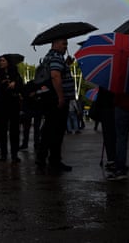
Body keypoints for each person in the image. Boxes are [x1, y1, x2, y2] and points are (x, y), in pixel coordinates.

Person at [36, 38, 75, 172]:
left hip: (48, 99)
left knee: (49, 129)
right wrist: (61, 97)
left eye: (66, 44)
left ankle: (42, 158)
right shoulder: (56, 57)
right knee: (56, 131)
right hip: (56, 100)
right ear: (55, 44)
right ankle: (54, 160)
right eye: (64, 44)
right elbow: (55, 76)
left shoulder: (49, 57)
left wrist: (66, 64)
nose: (66, 47)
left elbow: (57, 72)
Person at [0, 55, 24, 162]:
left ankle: (14, 154)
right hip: (1, 105)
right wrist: (1, 84)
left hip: (13, 104)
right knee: (2, 130)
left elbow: (21, 87)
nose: (1, 62)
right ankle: (3, 153)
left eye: (3, 60)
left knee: (14, 130)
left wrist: (15, 84)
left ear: (8, 62)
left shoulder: (15, 74)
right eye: (0, 61)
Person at [89, 87, 116, 170]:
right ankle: (119, 160)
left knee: (108, 136)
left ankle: (111, 159)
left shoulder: (105, 84)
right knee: (119, 137)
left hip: (106, 111)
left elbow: (100, 100)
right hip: (117, 110)